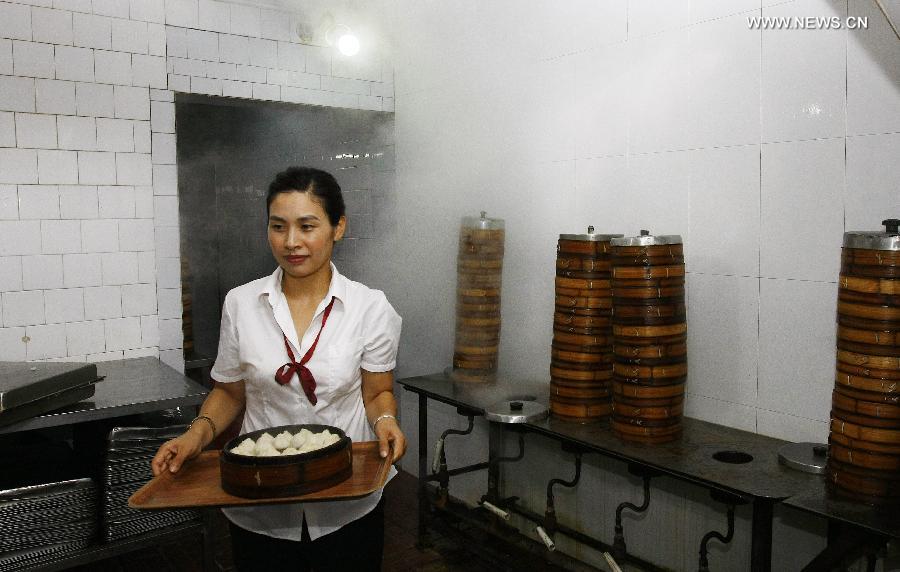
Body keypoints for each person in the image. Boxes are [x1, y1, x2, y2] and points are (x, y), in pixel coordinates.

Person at [151, 166, 406, 571]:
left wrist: (387, 422)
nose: (291, 242)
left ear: (338, 227)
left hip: (346, 500)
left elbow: (376, 393)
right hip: (259, 501)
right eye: (278, 226)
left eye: (307, 226)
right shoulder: (240, 303)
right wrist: (195, 436)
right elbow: (229, 392)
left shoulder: (370, 308)